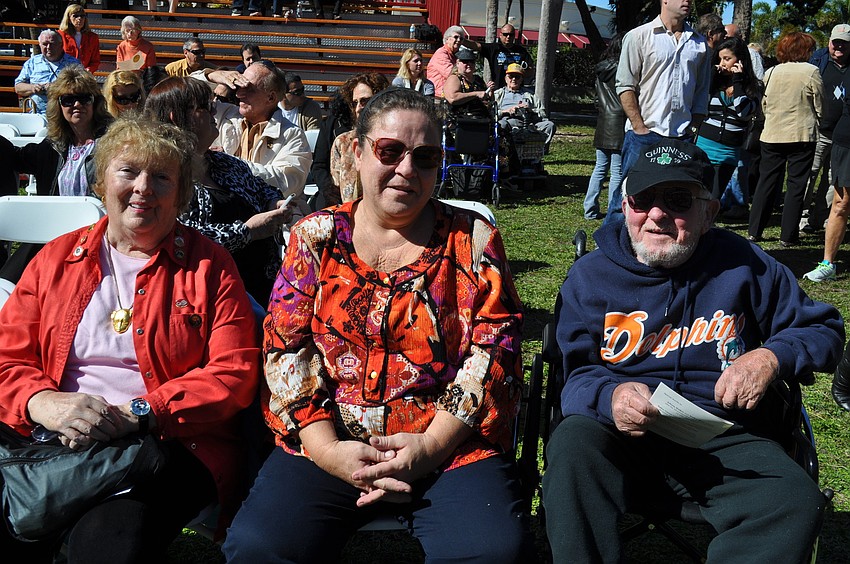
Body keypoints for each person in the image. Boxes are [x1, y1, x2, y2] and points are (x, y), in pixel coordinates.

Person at [222, 87, 530, 564]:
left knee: (490, 553)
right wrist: (328, 452)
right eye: (390, 151)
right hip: (327, 440)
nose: (407, 170)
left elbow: (496, 353)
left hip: (448, 447)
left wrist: (428, 447)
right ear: (359, 152)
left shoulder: (474, 240)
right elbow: (286, 348)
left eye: (425, 157)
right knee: (261, 548)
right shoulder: (315, 237)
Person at [542, 139, 844, 563]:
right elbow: (574, 375)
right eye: (642, 199)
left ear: (709, 213)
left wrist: (769, 357)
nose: (657, 214)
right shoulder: (589, 278)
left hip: (724, 436)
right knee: (573, 446)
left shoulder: (746, 265)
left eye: (678, 199)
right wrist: (611, 396)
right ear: (625, 206)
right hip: (620, 434)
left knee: (793, 500)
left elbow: (823, 328)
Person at [0, 117, 259, 563]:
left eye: (161, 177)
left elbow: (233, 373)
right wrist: (41, 401)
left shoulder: (210, 267)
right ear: (102, 182)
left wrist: (139, 411)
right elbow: (7, 357)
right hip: (51, 434)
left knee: (105, 547)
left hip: (165, 444)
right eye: (128, 171)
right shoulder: (55, 257)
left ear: (179, 196)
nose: (143, 187)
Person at [145, 76, 291, 303]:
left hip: (260, 290)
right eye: (205, 107)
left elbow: (264, 190)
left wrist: (275, 203)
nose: (215, 111)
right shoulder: (161, 177)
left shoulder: (224, 163)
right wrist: (248, 231)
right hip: (206, 300)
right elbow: (181, 239)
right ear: (177, 118)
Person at [616, 0, 711, 179]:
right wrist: (639, 126)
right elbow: (625, 85)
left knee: (674, 198)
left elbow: (702, 90)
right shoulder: (639, 36)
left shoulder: (699, 44)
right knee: (630, 196)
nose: (688, 1)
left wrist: (693, 127)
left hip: (682, 136)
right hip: (644, 136)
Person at [748, 32, 823, 246]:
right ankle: (788, 235)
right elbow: (820, 103)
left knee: (766, 182)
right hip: (801, 135)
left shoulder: (771, 72)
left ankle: (755, 230)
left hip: (772, 133)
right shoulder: (811, 71)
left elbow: (764, 103)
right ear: (806, 51)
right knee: (796, 185)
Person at [213, 60, 312, 215]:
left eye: (249, 89)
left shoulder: (293, 135)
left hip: (272, 222)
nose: (238, 93)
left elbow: (284, 184)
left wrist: (228, 163)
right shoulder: (225, 115)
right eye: (238, 86)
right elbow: (179, 95)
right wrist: (214, 75)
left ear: (271, 98)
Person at [4, 65, 111, 197]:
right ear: (58, 106)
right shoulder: (53, 145)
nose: (77, 104)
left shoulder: (113, 142)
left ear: (95, 103)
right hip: (54, 216)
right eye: (68, 100)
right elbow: (14, 157)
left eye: (84, 99)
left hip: (101, 216)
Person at [803, 31, 850, 283]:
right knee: (840, 202)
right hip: (839, 139)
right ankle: (828, 263)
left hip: (840, 137)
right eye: (836, 41)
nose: (839, 47)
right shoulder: (820, 63)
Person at [695, 37, 760, 200]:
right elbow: (700, 103)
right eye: (720, 59)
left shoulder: (752, 88)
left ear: (740, 60)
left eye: (727, 59)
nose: (722, 63)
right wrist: (711, 75)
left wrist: (738, 81)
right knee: (697, 196)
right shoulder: (714, 84)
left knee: (713, 198)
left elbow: (743, 112)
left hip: (728, 152)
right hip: (704, 147)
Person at [328, 72, 390, 204]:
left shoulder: (393, 142)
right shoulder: (342, 142)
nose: (358, 108)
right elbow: (335, 190)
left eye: (364, 101)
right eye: (355, 103)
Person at [444, 48, 495, 199]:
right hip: (461, 124)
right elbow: (452, 98)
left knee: (502, 136)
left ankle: (490, 182)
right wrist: (475, 94)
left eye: (471, 61)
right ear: (458, 63)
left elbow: (487, 101)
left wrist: (489, 93)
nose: (468, 64)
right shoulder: (455, 79)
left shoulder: (478, 79)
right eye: (465, 61)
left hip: (482, 122)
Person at [585, 34, 625, 221]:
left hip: (603, 120)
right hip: (620, 121)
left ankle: (589, 209)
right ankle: (612, 210)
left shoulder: (601, 68)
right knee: (616, 171)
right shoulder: (625, 67)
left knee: (600, 167)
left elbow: (596, 98)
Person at [14, 29, 80, 115]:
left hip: (65, 115)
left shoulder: (74, 63)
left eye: (52, 44)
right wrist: (33, 88)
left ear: (61, 45)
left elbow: (81, 87)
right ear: (40, 45)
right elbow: (18, 87)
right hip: (37, 114)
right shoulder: (32, 63)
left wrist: (57, 88)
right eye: (45, 44)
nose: (48, 47)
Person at [494, 63, 555, 149]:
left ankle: (538, 152)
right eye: (511, 76)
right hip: (509, 123)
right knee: (500, 125)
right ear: (506, 79)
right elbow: (491, 113)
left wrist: (531, 110)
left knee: (549, 125)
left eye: (517, 77)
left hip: (530, 124)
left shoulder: (530, 95)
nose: (514, 79)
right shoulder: (498, 94)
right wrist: (507, 111)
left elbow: (543, 114)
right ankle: (504, 151)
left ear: (521, 79)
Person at [467, 23, 533, 89]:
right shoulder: (494, 48)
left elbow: (530, 70)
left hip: (517, 90)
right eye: (505, 34)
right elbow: (476, 45)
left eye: (511, 34)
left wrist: (522, 70)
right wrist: (462, 40)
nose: (508, 37)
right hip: (498, 91)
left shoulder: (521, 51)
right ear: (500, 35)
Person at [430, 25, 476, 98]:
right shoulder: (441, 53)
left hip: (451, 93)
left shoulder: (455, 55)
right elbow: (451, 73)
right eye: (456, 37)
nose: (458, 40)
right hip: (439, 95)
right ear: (447, 39)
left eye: (461, 39)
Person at [58, 4, 100, 73]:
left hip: (84, 75)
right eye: (75, 16)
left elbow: (95, 61)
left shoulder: (93, 37)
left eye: (82, 16)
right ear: (68, 19)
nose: (79, 18)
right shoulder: (60, 35)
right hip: (65, 74)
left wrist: (88, 70)